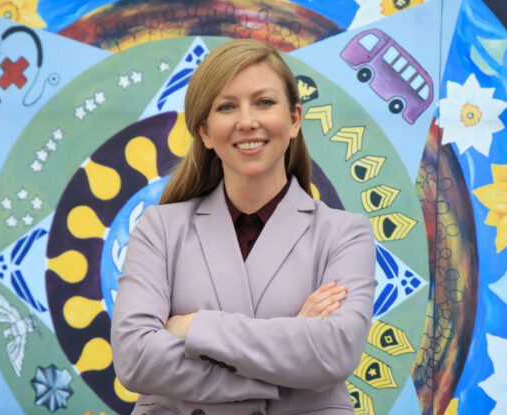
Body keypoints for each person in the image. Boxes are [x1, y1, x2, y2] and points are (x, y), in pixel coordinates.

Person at [110, 39, 377, 414]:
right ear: (203, 132)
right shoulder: (159, 228)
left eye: (264, 102)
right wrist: (292, 346)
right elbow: (135, 359)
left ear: (295, 119)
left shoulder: (345, 233)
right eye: (226, 106)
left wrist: (194, 327)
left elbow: (335, 352)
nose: (247, 120)